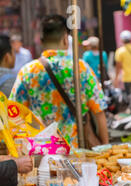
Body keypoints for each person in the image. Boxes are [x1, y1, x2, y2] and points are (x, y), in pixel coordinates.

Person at [10, 14, 109, 148]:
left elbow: (14, 114)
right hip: (78, 151)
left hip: (43, 153)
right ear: (65, 40)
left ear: (41, 40)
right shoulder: (81, 68)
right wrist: (105, 147)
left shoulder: (28, 71)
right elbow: (99, 112)